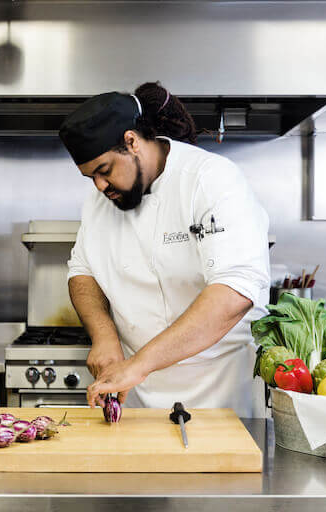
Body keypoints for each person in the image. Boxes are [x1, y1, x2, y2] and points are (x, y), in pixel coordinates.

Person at [59, 82, 270, 418]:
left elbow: (236, 291)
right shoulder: (100, 200)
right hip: (140, 392)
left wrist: (139, 365)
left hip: (222, 389)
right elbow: (82, 273)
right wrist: (104, 335)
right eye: (90, 178)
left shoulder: (210, 179)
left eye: (104, 171)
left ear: (131, 142)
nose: (100, 186)